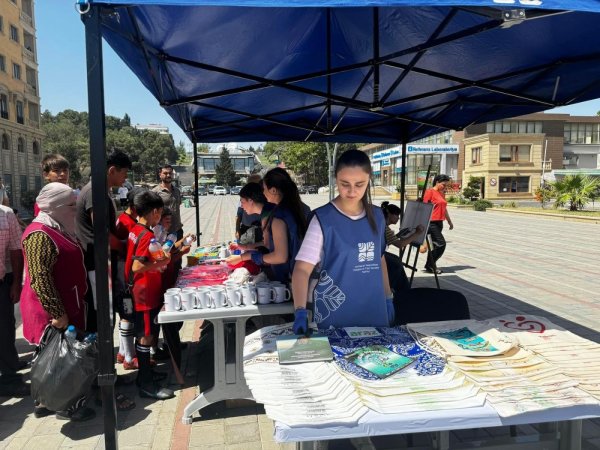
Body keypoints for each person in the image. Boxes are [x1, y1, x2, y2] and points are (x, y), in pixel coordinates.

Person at [292, 150, 394, 334]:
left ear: (369, 179)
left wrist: (388, 297)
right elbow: (301, 269)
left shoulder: (378, 216)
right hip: (335, 316)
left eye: (359, 184)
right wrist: (299, 310)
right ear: (335, 179)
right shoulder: (323, 219)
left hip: (374, 311)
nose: (352, 191)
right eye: (344, 184)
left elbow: (380, 261)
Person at [19, 183, 95, 420]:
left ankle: (46, 399)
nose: (75, 210)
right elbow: (40, 279)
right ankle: (66, 405)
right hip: (51, 312)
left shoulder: (58, 227)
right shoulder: (39, 234)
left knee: (52, 360)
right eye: (71, 205)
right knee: (59, 360)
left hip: (67, 303)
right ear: (55, 207)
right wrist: (57, 312)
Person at [125, 190, 174, 400]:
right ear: (155, 211)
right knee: (145, 336)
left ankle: (146, 374)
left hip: (144, 290)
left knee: (147, 333)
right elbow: (137, 266)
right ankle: (145, 383)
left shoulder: (136, 229)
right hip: (144, 292)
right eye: (160, 213)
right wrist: (161, 263)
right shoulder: (146, 234)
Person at [76, 150, 132, 332]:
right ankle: (99, 358)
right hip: (96, 265)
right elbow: (102, 233)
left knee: (106, 316)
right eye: (124, 173)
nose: (125, 178)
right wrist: (126, 246)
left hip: (101, 263)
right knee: (101, 317)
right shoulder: (95, 192)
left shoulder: (102, 190)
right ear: (112, 170)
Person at [226, 168, 308, 284]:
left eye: (264, 189)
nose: (263, 193)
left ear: (273, 190)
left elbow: (280, 256)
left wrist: (250, 257)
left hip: (291, 279)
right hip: (300, 274)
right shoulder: (296, 208)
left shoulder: (278, 216)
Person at [114, 187, 146, 370]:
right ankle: (129, 357)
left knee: (127, 314)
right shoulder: (124, 222)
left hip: (126, 273)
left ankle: (123, 351)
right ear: (135, 207)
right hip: (123, 275)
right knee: (127, 313)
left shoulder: (131, 219)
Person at [0, 205, 26, 397]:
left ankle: (9, 378)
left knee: (5, 330)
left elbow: (16, 250)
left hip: (2, 282)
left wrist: (17, 282)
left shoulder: (6, 214)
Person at [380, 201, 423, 294]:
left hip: (378, 253)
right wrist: (417, 234)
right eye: (397, 215)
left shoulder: (382, 224)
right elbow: (400, 245)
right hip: (377, 255)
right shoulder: (384, 227)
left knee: (396, 260)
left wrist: (398, 235)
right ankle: (391, 288)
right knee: (396, 264)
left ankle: (402, 288)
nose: (398, 218)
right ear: (389, 214)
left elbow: (386, 241)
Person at [423, 174, 454, 274]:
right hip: (431, 223)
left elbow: (444, 209)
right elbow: (424, 208)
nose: (445, 187)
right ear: (437, 182)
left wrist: (449, 221)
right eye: (443, 185)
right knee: (441, 244)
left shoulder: (442, 194)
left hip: (439, 222)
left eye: (446, 185)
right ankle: (430, 264)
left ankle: (430, 266)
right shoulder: (429, 192)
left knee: (434, 246)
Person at [235, 174, 263, 243]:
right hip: (246, 230)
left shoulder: (264, 199)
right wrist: (237, 230)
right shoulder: (245, 197)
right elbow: (238, 215)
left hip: (261, 230)